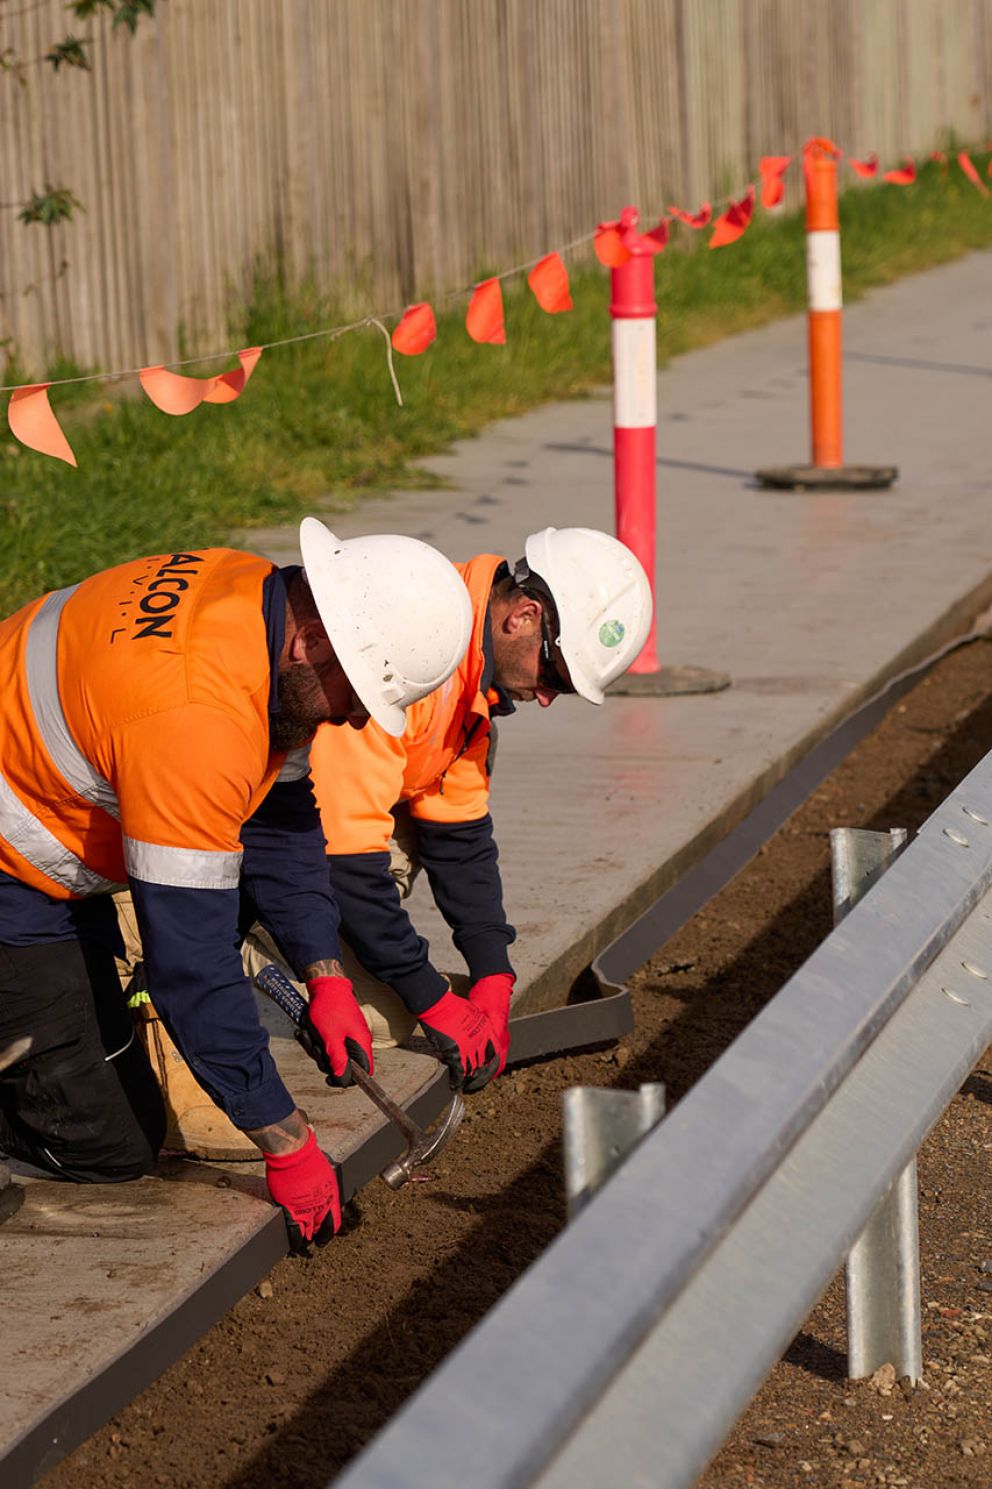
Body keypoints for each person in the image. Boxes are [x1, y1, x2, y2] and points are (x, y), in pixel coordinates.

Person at [0, 517, 472, 1250]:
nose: (351, 718)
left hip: (52, 855)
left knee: (134, 1118)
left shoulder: (257, 600)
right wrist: (285, 1140)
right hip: (11, 879)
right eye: (356, 695)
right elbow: (192, 967)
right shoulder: (195, 718)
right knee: (102, 1149)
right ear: (315, 639)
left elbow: (282, 820)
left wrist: (326, 977)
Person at [243, 526, 652, 1095]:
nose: (546, 697)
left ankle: (328, 950)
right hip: (259, 839)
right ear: (524, 616)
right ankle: (254, 942)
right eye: (554, 675)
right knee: (386, 1021)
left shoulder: (475, 688)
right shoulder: (413, 654)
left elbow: (460, 837)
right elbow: (345, 857)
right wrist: (431, 998)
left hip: (326, 841)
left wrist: (493, 975)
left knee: (416, 837)